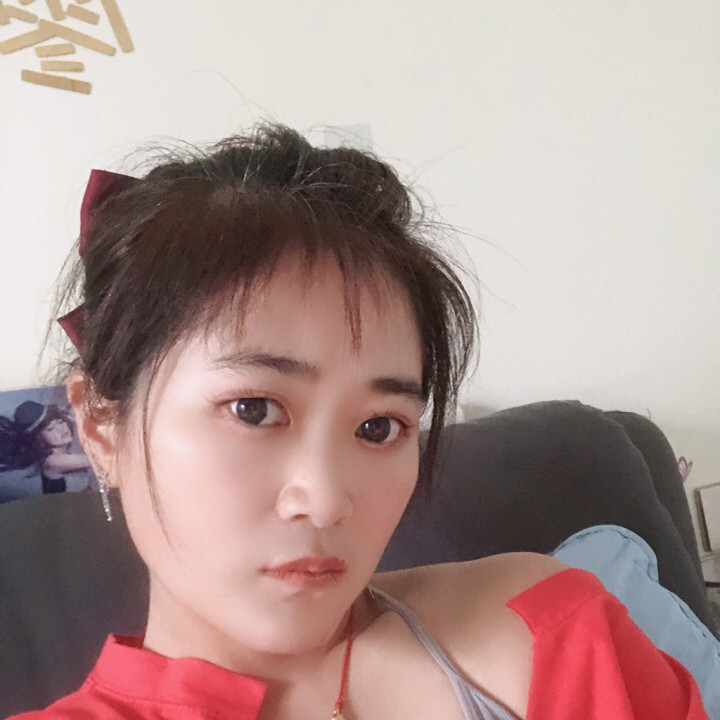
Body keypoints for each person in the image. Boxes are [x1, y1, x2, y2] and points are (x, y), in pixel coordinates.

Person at [10, 124, 708, 720]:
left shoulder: (546, 630)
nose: (325, 499)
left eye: (379, 427)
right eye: (254, 409)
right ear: (100, 425)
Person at [1, 401, 91, 495]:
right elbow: (98, 459)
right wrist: (83, 422)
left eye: (60, 422)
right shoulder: (52, 462)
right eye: (51, 429)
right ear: (40, 438)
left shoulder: (61, 454)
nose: (61, 429)